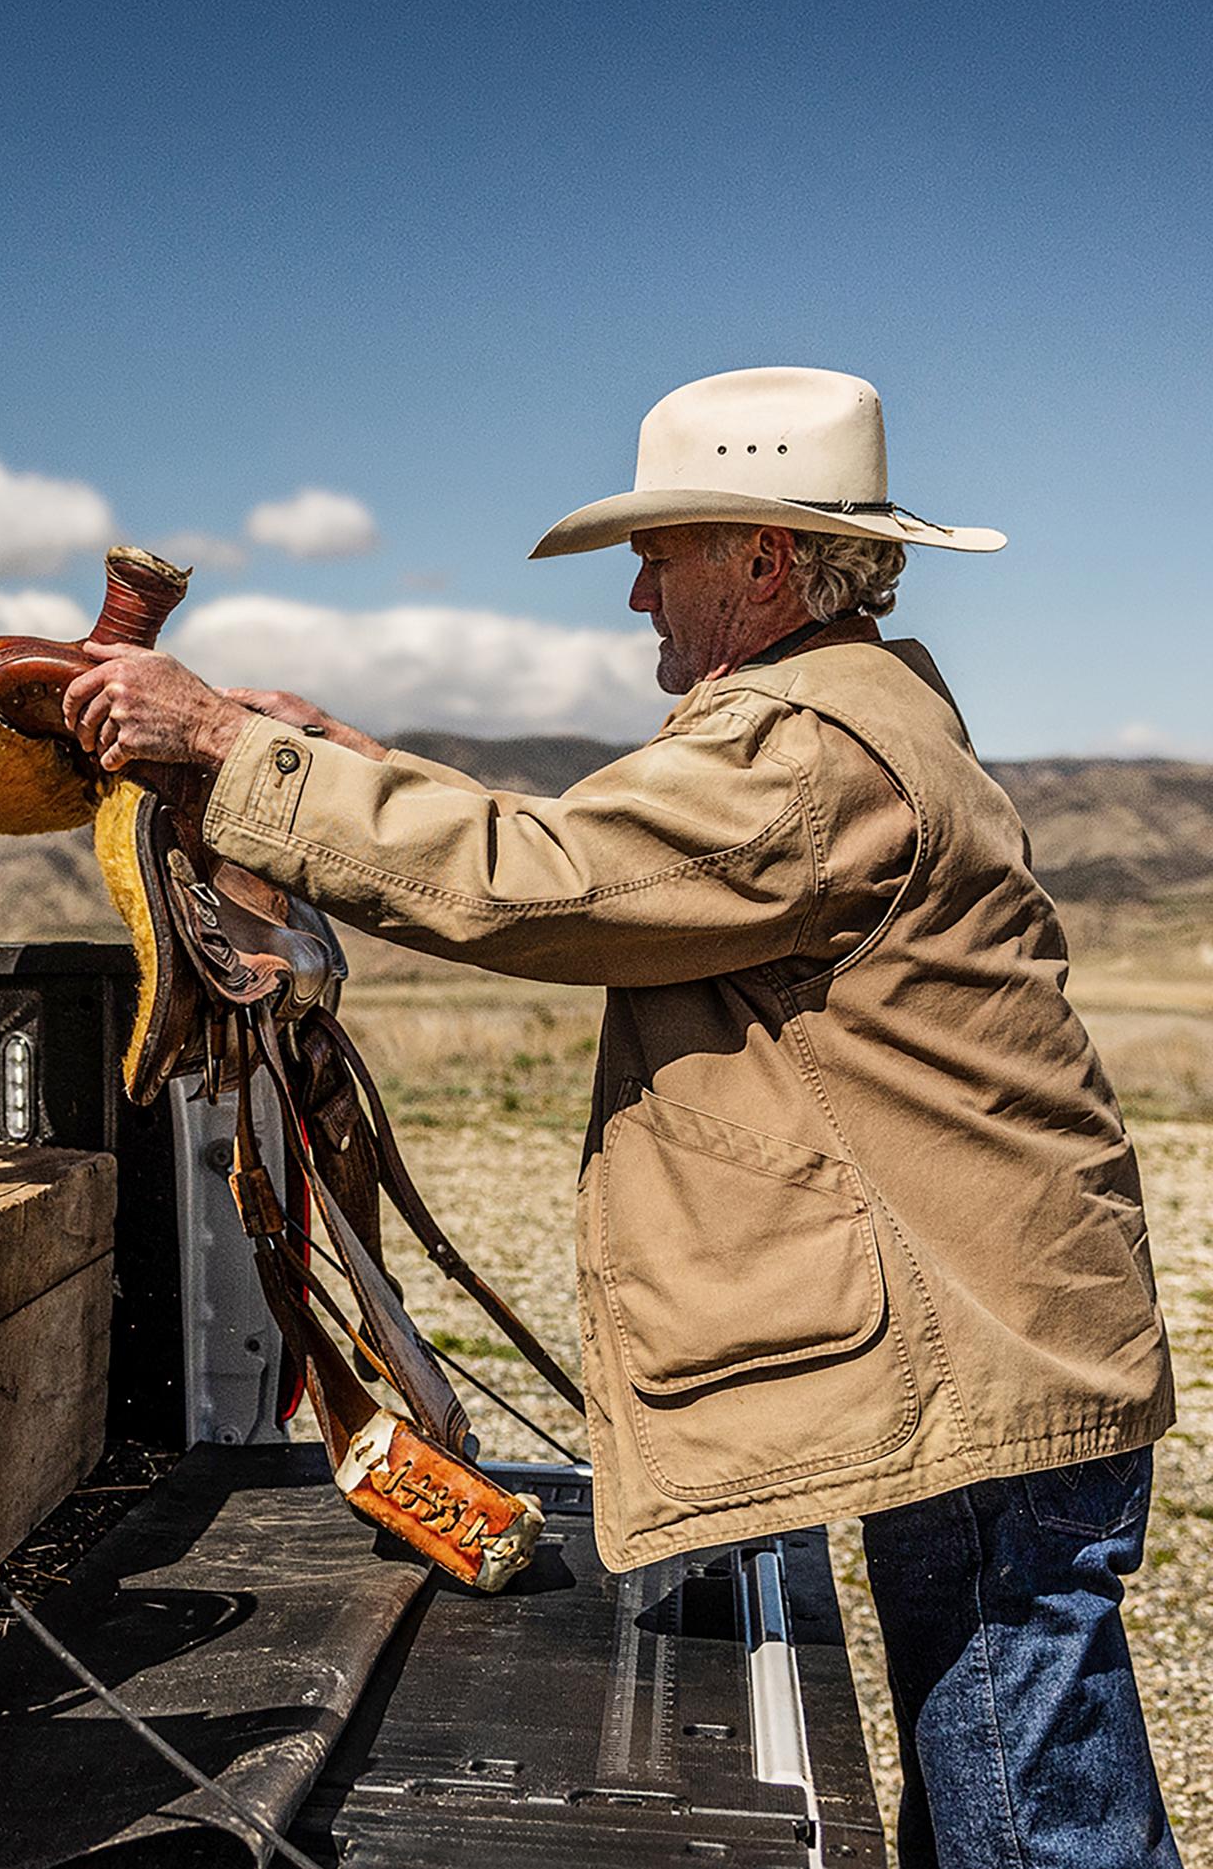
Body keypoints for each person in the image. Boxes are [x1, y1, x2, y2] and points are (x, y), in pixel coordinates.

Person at [61, 366, 1179, 1867]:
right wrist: (328, 763)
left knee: (1027, 1824)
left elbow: (546, 882)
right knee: (999, 1789)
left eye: (663, 553)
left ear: (767, 559)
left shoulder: (804, 754)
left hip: (980, 1354)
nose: (637, 593)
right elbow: (600, 849)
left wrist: (227, 752)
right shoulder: (830, 719)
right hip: (996, 1332)